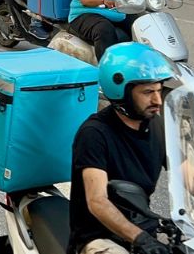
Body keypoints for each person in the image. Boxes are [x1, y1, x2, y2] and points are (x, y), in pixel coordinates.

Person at [68, 42, 175, 254]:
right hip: (100, 238)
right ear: (121, 91)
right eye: (147, 92)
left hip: (141, 230)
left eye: (159, 91)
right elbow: (97, 201)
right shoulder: (95, 134)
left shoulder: (156, 125)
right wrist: (142, 239)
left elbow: (192, 177)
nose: (157, 100)